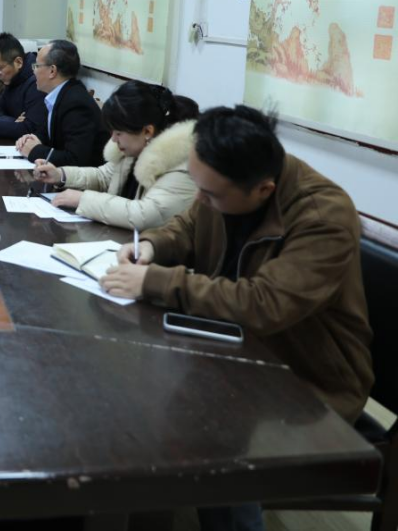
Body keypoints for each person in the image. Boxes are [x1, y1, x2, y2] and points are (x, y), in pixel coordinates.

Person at [103, 107, 373, 531]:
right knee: (135, 401)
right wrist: (152, 246)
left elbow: (264, 303)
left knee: (204, 428)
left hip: (304, 378)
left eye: (210, 194)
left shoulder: (324, 216)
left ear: (264, 189)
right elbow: (186, 227)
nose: (200, 199)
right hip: (231, 346)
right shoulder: (224, 179)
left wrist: (157, 280)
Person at [32, 81, 199, 230]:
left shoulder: (181, 163)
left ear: (147, 131)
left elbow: (145, 215)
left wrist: (83, 200)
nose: (113, 139)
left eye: (118, 133)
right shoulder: (135, 149)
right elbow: (103, 177)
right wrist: (60, 175)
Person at [15, 39, 108, 166]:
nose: (34, 71)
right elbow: (47, 132)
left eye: (36, 66)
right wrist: (31, 139)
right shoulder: (61, 95)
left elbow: (75, 159)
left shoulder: (76, 103)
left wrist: (33, 151)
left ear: (52, 71)